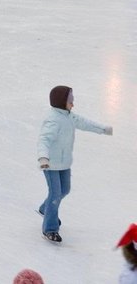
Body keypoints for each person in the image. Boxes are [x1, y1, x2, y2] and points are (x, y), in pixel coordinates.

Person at [36, 85, 113, 243]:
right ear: (61, 101)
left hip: (64, 163)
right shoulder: (53, 120)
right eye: (70, 100)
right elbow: (43, 140)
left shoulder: (69, 116)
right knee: (55, 194)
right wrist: (43, 158)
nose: (73, 103)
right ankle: (50, 229)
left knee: (65, 190)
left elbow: (85, 123)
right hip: (50, 164)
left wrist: (103, 129)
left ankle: (46, 208)